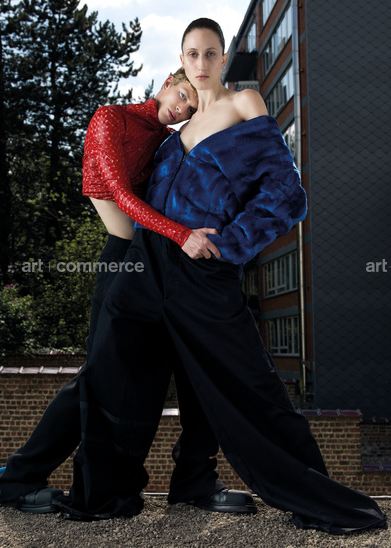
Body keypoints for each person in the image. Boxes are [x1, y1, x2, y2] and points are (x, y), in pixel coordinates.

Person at [52, 18, 388, 534]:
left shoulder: (244, 104)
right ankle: (110, 494)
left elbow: (285, 194)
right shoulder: (175, 135)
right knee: (116, 375)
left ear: (224, 58)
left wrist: (228, 247)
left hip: (203, 270)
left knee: (248, 383)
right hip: (146, 264)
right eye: (193, 54)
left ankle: (315, 498)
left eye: (211, 53)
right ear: (181, 61)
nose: (202, 64)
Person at [0, 68, 255, 516]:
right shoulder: (109, 118)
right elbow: (122, 195)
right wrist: (182, 234)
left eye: (191, 107)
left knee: (194, 364)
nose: (182, 109)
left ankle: (194, 480)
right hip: (125, 260)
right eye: (182, 95)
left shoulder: (169, 141)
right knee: (96, 377)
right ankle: (20, 479)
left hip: (163, 261)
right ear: (169, 79)